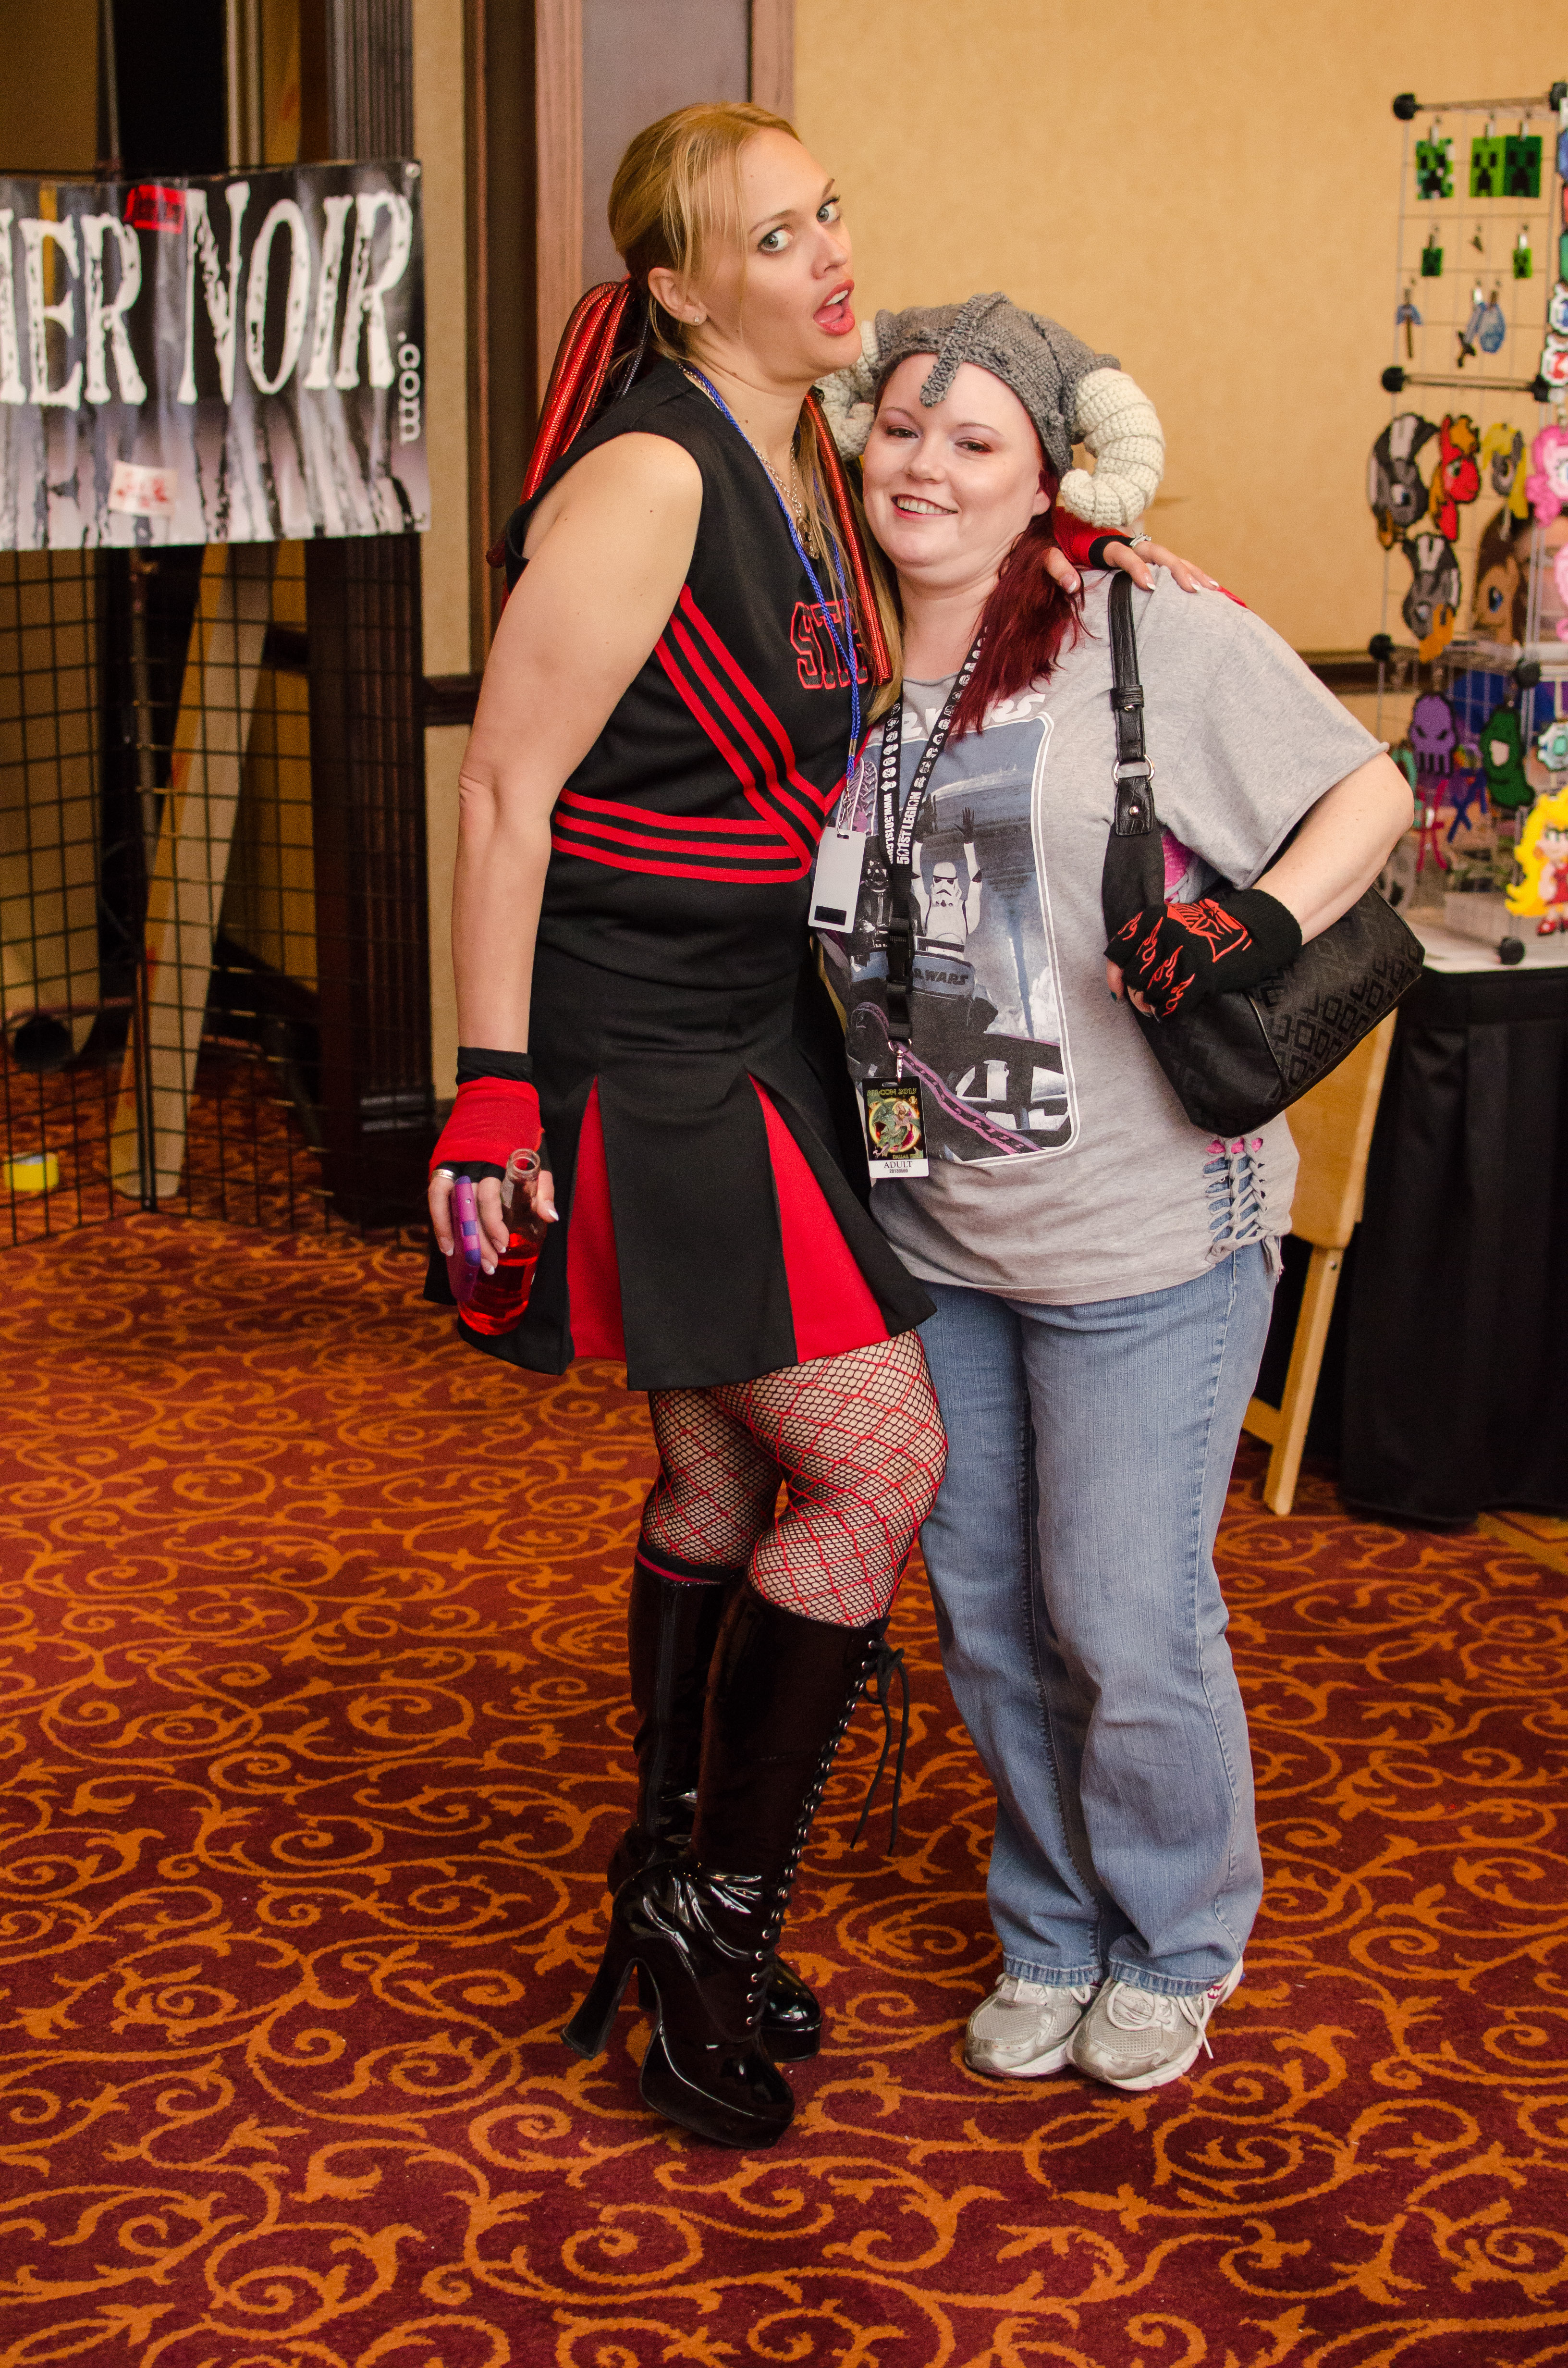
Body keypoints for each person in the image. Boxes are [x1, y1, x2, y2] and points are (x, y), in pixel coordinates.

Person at [426, 107, 1201, 2148]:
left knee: (719, 1470)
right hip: (644, 1040)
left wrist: (1086, 571)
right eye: (775, 237)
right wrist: (490, 1082)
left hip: (763, 1023)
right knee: (881, 1465)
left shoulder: (796, 458)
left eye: (829, 211)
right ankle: (708, 1910)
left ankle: (663, 1878)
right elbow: (504, 788)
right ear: (684, 287)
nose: (830, 253)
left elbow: (907, 629)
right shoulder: (656, 469)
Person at [817, 297, 1414, 2096]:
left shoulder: (1146, 627)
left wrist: (1256, 920)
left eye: (975, 440)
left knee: (1122, 1614)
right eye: (903, 427)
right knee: (989, 1612)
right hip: (937, 1234)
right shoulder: (826, 659)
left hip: (1150, 1233)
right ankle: (1054, 1922)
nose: (926, 465)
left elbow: (1370, 792)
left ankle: (1176, 1936)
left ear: (1050, 480)